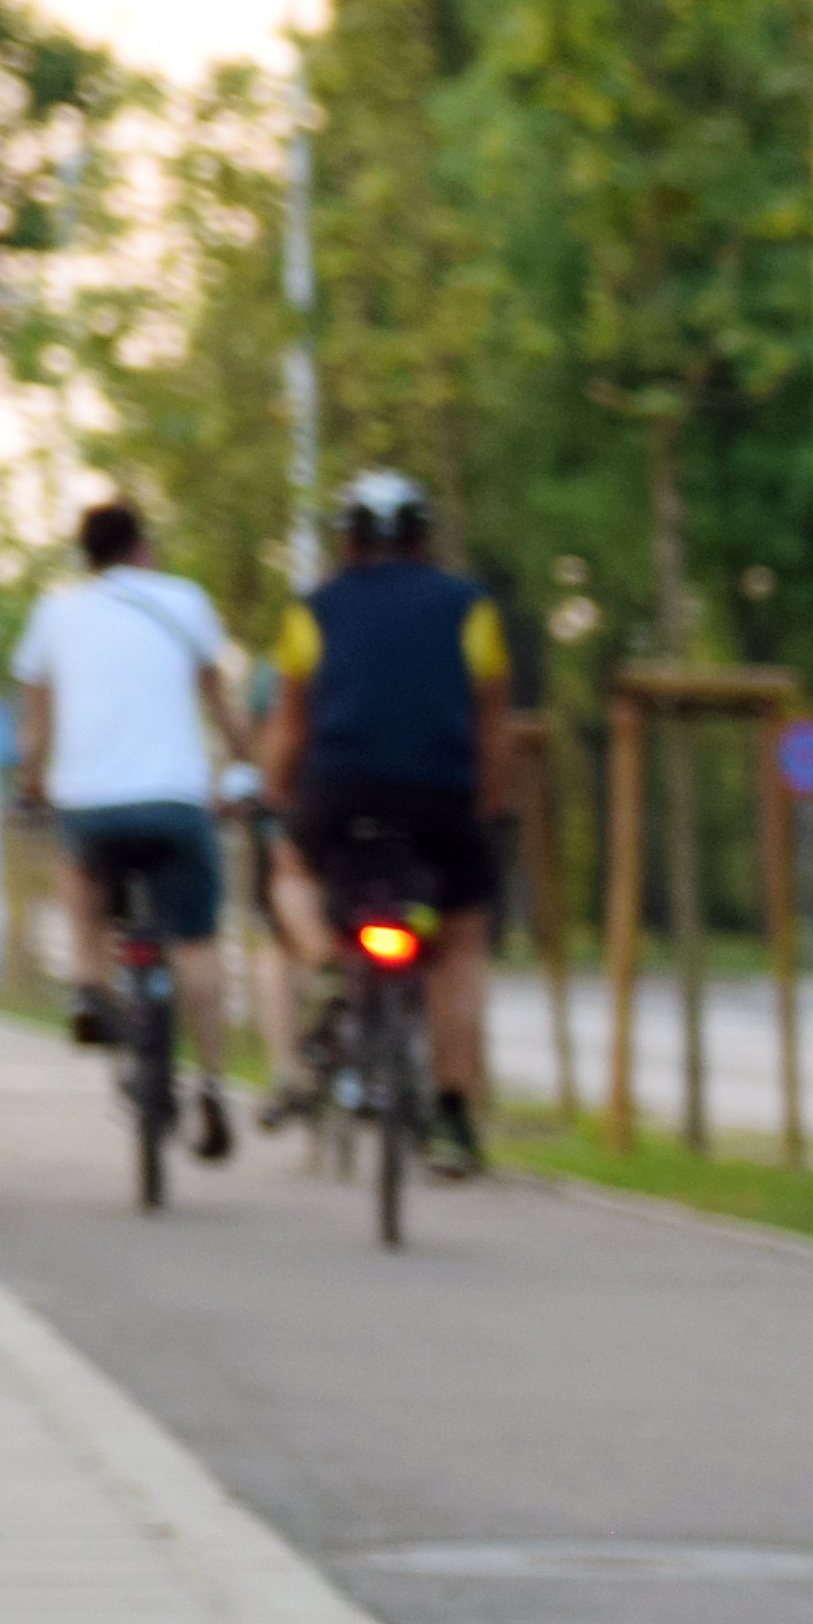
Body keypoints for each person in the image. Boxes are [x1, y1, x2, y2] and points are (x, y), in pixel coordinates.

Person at [269, 468, 512, 1177]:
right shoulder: (474, 609)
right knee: (460, 940)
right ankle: (453, 1118)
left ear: (348, 540)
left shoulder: (310, 611)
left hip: (341, 793)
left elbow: (290, 729)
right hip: (441, 795)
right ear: (423, 538)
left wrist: (278, 798)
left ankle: (326, 964)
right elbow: (491, 729)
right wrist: (488, 808)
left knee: (289, 867)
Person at [9, 501, 247, 1059]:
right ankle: (211, 1076)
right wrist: (247, 770)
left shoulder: (55, 612)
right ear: (143, 548)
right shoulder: (186, 600)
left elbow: (35, 728)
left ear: (85, 557)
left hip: (91, 807)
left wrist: (30, 787)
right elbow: (225, 708)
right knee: (196, 941)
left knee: (80, 872)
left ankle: (90, 985)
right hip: (177, 801)